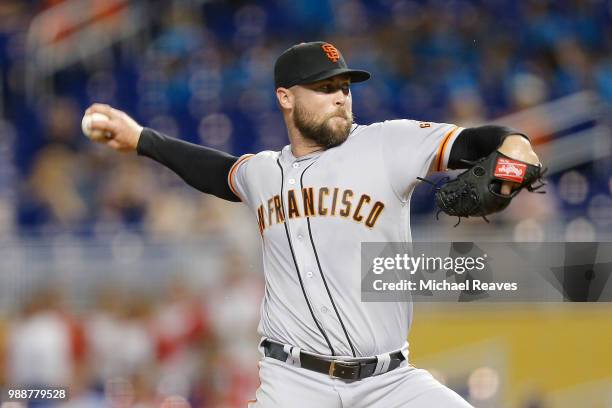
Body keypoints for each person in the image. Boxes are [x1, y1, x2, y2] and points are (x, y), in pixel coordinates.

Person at [85, 41, 540, 407]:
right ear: (286, 97)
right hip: (294, 384)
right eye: (325, 87)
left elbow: (475, 141)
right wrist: (142, 139)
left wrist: (514, 143)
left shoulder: (386, 143)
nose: (341, 95)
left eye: (345, 85)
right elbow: (215, 171)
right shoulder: (263, 172)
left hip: (391, 384)